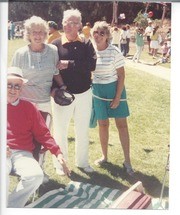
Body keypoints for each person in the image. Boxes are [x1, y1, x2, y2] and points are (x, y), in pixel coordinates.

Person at [7, 67, 71, 208]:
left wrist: (58, 153)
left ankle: (10, 206)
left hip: (22, 153)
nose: (12, 89)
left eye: (17, 86)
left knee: (36, 176)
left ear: (21, 88)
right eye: (9, 85)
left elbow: (43, 133)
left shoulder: (29, 108)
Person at [51, 9, 97, 175]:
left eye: (73, 23)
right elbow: (50, 71)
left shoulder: (86, 43)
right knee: (60, 130)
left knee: (82, 129)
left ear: (79, 25)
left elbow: (91, 65)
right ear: (62, 22)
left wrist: (69, 63)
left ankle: (83, 162)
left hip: (84, 93)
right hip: (63, 95)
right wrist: (54, 90)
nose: (68, 25)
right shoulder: (55, 45)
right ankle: (60, 165)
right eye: (66, 22)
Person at [91, 21, 134, 176]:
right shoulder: (91, 50)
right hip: (98, 91)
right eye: (96, 32)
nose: (98, 35)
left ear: (108, 36)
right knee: (103, 125)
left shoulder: (114, 51)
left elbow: (121, 75)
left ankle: (127, 161)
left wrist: (117, 97)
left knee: (122, 125)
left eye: (102, 33)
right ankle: (104, 156)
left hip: (115, 89)